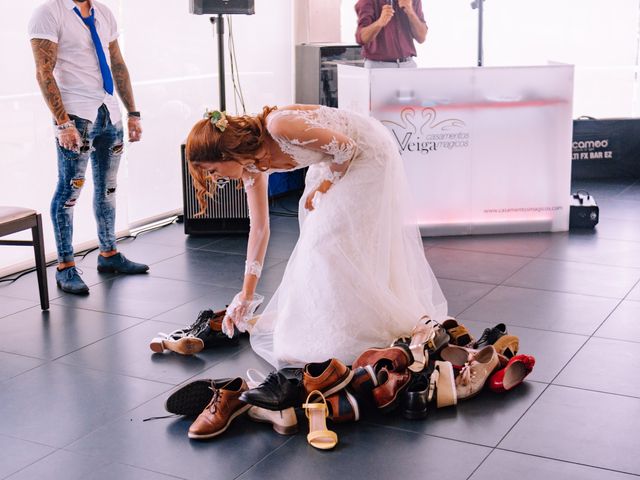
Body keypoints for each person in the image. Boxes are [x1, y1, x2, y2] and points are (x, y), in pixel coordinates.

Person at [186, 105, 448, 369]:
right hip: (332, 161)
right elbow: (260, 229)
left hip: (367, 155)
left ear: (225, 152)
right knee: (325, 243)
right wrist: (245, 295)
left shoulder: (279, 126)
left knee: (324, 244)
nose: (213, 177)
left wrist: (325, 186)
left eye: (211, 169)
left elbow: (347, 148)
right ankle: (339, 324)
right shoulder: (251, 168)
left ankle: (350, 333)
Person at [29, 0, 149, 295]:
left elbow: (117, 63)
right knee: (69, 190)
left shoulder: (104, 12)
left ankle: (109, 254)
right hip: (75, 116)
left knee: (108, 188)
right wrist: (62, 122)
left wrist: (132, 112)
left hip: (109, 112)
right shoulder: (49, 12)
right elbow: (44, 71)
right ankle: (65, 267)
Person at [355, 0, 428, 68]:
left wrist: (411, 12)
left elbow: (421, 37)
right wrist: (379, 23)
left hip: (408, 64)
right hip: (378, 66)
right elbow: (362, 37)